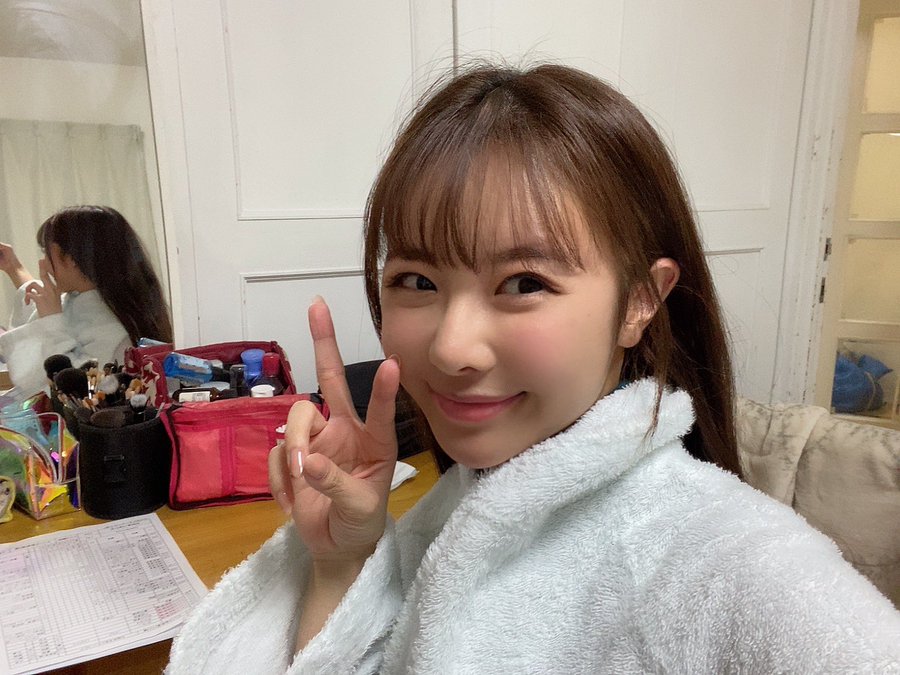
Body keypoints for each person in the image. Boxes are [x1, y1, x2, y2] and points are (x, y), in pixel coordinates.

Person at [167, 65, 900, 673]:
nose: (451, 349)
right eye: (417, 280)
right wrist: (341, 562)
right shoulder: (458, 508)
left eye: (523, 283)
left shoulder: (735, 563)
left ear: (639, 302)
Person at [0, 205, 172, 399]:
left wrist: (51, 322)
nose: (43, 263)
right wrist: (13, 268)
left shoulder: (115, 330)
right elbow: (38, 304)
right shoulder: (99, 302)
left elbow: (83, 391)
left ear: (72, 259)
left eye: (47, 253)